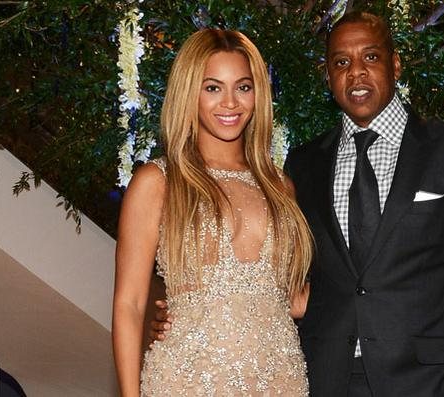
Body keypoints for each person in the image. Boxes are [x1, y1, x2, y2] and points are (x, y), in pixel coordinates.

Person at [155, 11, 444, 396]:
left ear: (395, 64)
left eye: (371, 57)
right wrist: (190, 310)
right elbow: (293, 284)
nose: (356, 72)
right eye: (341, 62)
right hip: (325, 378)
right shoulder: (303, 166)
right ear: (328, 76)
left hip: (431, 382)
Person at [112, 29, 313, 396]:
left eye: (244, 87)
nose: (231, 103)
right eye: (212, 87)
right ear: (189, 91)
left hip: (280, 380)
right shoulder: (158, 182)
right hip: (188, 380)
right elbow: (130, 304)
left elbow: (293, 300)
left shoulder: (280, 186)